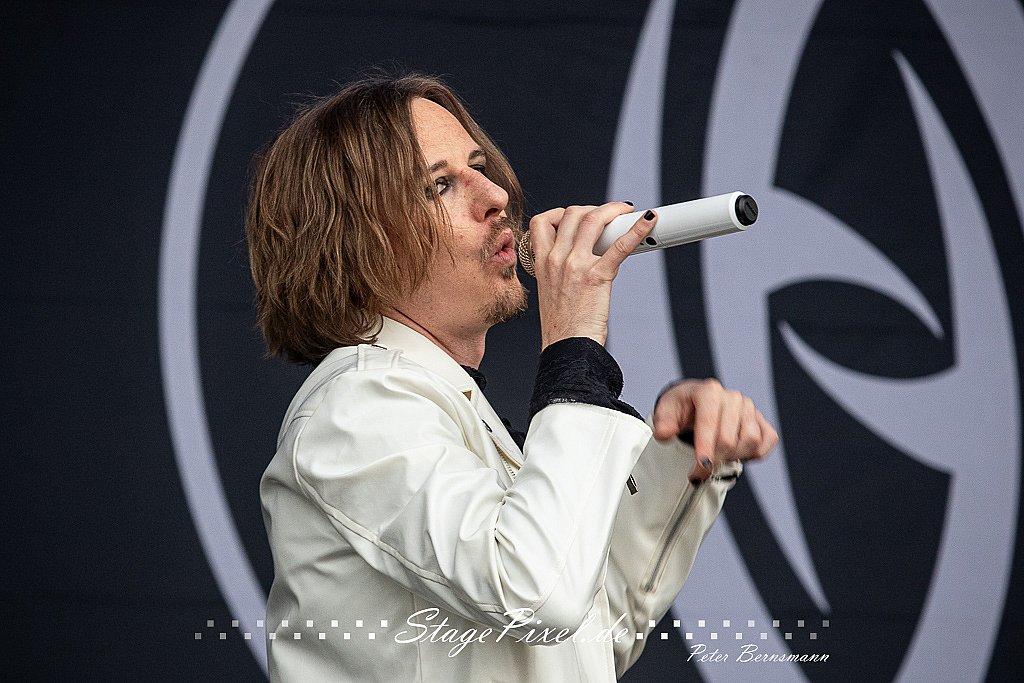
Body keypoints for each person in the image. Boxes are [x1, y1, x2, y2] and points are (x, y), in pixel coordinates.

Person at [247, 73, 777, 682]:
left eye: (479, 166)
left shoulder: (445, 406)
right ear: (357, 244)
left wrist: (679, 452)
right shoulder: (358, 405)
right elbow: (538, 596)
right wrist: (575, 347)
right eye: (440, 185)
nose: (496, 195)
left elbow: (589, 635)